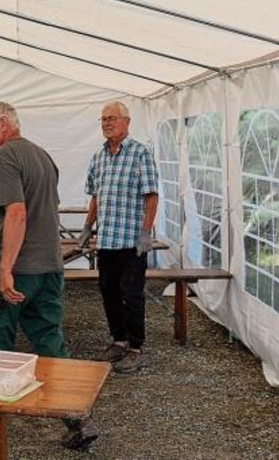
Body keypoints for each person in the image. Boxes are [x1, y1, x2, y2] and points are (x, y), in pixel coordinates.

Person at [0, 100, 98, 451]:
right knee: (49, 341)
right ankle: (77, 417)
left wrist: (6, 270)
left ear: (4, 124)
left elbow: (16, 214)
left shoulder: (3, 157)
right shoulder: (42, 155)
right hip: (49, 266)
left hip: (15, 269)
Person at [79, 100, 159, 374]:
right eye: (103, 119)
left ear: (127, 122)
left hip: (131, 241)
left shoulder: (140, 154)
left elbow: (151, 195)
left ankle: (137, 348)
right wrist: (87, 227)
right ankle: (119, 340)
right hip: (107, 241)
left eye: (112, 118)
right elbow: (96, 196)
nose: (107, 123)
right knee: (109, 292)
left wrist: (146, 232)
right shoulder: (99, 157)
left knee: (132, 295)